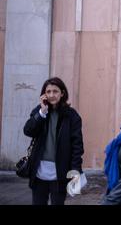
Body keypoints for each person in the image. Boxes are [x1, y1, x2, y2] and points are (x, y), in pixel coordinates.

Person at [23, 77, 84, 205]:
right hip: (39, 172)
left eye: (55, 91)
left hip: (60, 172)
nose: (51, 95)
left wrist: (75, 170)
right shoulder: (39, 111)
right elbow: (28, 131)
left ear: (62, 93)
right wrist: (41, 113)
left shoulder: (71, 116)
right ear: (44, 94)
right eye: (48, 92)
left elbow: (77, 146)